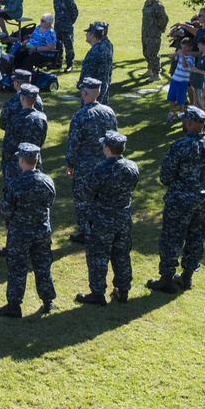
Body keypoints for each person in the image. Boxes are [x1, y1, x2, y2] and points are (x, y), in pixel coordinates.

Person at [146, 106, 205, 293]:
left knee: (172, 237)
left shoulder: (180, 145)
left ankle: (167, 279)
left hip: (181, 199)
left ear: (189, 123)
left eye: (184, 120)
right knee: (196, 237)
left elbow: (165, 176)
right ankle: (187, 277)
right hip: (203, 199)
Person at [0, 143, 56, 318]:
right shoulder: (48, 181)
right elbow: (50, 202)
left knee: (17, 268)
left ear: (21, 160)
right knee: (43, 265)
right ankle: (48, 300)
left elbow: (5, 210)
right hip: (42, 231)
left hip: (20, 233)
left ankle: (14, 304)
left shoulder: (15, 185)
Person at [76, 130, 139, 305]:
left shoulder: (101, 169)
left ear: (108, 148)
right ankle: (123, 288)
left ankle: (97, 293)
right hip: (123, 218)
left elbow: (86, 194)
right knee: (121, 254)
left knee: (98, 256)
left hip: (102, 220)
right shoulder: (132, 167)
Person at [65, 77, 118, 244]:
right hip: (105, 162)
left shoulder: (80, 116)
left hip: (85, 165)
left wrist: (70, 163)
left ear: (85, 93)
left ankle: (85, 231)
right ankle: (102, 228)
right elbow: (115, 136)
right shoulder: (109, 112)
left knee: (83, 198)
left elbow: (74, 143)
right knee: (102, 197)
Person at [0, 84, 48, 185]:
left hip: (18, 162)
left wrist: (6, 163)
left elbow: (7, 146)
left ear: (22, 98)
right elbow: (42, 139)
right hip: (35, 160)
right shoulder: (43, 118)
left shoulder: (15, 120)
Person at [79, 22, 114, 104]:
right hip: (104, 86)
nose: (86, 34)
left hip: (91, 90)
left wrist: (80, 85)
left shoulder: (95, 51)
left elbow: (87, 72)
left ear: (93, 35)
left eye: (88, 32)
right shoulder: (107, 45)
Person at [141, 0, 169, 81]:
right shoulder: (147, 3)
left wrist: (160, 28)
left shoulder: (157, 5)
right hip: (145, 33)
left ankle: (157, 73)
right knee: (146, 52)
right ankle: (150, 70)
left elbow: (164, 18)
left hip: (153, 34)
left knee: (153, 53)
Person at [52, 0, 79, 73]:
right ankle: (57, 62)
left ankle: (69, 64)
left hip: (66, 27)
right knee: (58, 45)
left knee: (69, 46)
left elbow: (74, 12)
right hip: (58, 26)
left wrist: (70, 22)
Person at [166, 38, 194, 123]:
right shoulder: (180, 54)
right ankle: (170, 113)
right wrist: (177, 53)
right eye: (183, 47)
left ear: (190, 47)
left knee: (181, 99)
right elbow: (170, 57)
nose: (184, 49)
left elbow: (185, 65)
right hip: (175, 79)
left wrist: (182, 56)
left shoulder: (191, 57)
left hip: (183, 81)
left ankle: (181, 113)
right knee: (171, 97)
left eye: (186, 48)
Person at [188, 35, 205, 110]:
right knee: (197, 106)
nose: (198, 46)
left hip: (202, 86)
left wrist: (196, 70)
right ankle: (198, 121)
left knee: (203, 106)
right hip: (196, 84)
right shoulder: (201, 55)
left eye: (199, 44)